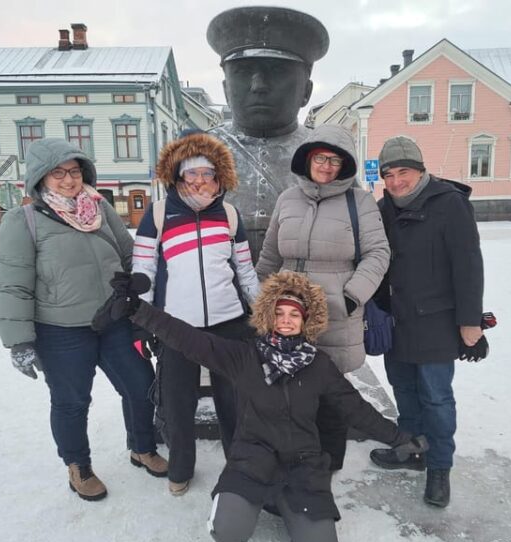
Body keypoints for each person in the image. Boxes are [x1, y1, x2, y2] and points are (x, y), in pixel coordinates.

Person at [94, 270, 425, 542]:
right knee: (227, 534)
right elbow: (189, 339)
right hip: (253, 460)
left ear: (306, 320)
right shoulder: (245, 357)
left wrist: (398, 438)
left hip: (303, 467)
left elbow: (356, 410)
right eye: (280, 313)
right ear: (269, 317)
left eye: (294, 314)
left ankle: (284, 504)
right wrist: (138, 310)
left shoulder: (320, 366)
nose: (285, 320)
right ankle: (249, 503)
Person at [0, 138, 166, 502]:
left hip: (114, 320)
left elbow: (127, 254)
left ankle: (142, 447)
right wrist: (19, 341)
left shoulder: (100, 208)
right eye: (58, 173)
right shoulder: (23, 221)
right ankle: (78, 466)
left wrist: (138, 284)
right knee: (72, 400)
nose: (69, 180)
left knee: (141, 385)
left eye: (74, 171)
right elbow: (13, 285)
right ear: (41, 178)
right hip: (61, 330)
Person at [131, 130, 260, 496]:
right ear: (178, 175)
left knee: (234, 401)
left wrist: (263, 312)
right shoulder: (157, 215)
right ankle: (181, 467)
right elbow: (144, 273)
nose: (201, 181)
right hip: (176, 326)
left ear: (219, 177)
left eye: (208, 174)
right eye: (192, 173)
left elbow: (246, 272)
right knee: (177, 402)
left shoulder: (230, 215)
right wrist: (142, 324)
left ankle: (239, 466)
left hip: (230, 324)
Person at [256, 124, 390, 469]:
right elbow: (270, 254)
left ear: (345, 165)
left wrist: (351, 296)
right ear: (308, 158)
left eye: (335, 159)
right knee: (288, 392)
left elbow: (378, 253)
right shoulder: (287, 198)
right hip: (287, 313)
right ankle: (293, 458)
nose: (327, 165)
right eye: (321, 157)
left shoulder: (359, 201)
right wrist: (259, 300)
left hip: (336, 312)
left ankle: (328, 464)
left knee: (330, 394)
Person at [369, 136, 485, 509]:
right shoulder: (382, 209)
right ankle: (412, 447)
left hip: (435, 321)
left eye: (404, 172)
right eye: (389, 174)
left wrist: (471, 321)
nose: (396, 181)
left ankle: (439, 467)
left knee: (436, 397)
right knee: (402, 388)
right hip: (396, 321)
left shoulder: (449, 204)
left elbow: (468, 265)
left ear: (420, 171)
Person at [206, 6, 329, 261]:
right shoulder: (198, 153)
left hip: (299, 295)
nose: (258, 85)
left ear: (306, 90)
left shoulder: (328, 155)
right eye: (242, 72)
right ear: (226, 89)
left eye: (276, 71)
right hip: (221, 295)